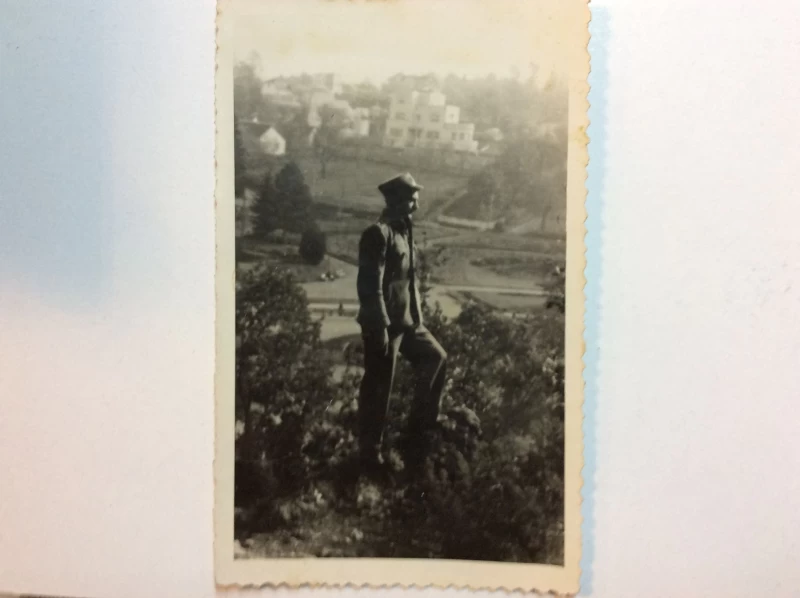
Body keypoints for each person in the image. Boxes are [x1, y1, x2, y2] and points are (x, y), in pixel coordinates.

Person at [355, 172, 448, 480]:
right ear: (395, 200)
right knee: (379, 385)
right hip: (383, 324)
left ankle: (419, 432)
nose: (416, 205)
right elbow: (370, 285)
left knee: (436, 357)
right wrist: (381, 326)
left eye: (416, 199)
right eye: (411, 199)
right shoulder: (378, 233)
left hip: (406, 322)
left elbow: (408, 281)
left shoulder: (404, 231)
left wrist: (416, 318)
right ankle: (370, 451)